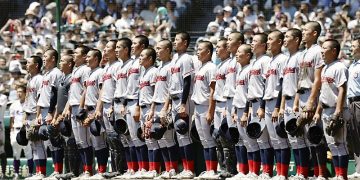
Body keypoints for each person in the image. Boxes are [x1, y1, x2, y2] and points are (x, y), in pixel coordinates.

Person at [161, 31, 195, 179]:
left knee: (184, 135)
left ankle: (190, 170)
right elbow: (170, 85)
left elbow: (187, 82)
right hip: (174, 99)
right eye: (174, 40)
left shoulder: (186, 58)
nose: (174, 42)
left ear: (185, 43)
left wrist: (182, 103)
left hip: (183, 99)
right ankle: (184, 169)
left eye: (177, 40)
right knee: (179, 137)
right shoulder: (175, 59)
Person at [314, 39, 348, 179]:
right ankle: (338, 175)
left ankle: (342, 176)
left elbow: (342, 90)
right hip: (326, 110)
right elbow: (323, 94)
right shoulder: (325, 68)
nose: (322, 51)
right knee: (332, 145)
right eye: (321, 48)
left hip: (336, 110)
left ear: (334, 50)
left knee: (340, 144)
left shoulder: (340, 67)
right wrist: (318, 111)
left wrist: (338, 112)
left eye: (325, 48)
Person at [297, 21, 327, 179]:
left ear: (314, 33)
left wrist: (311, 101)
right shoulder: (304, 52)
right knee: (307, 137)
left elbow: (318, 79)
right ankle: (314, 172)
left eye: (305, 30)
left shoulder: (317, 51)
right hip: (302, 94)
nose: (302, 32)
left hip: (312, 96)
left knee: (316, 136)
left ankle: (321, 174)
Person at [280, 28, 310, 179]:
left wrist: (296, 103)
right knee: (293, 139)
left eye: (287, 37)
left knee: (301, 138)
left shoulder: (300, 57)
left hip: (298, 101)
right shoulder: (286, 58)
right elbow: (284, 86)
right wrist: (282, 106)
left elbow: (300, 82)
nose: (284, 39)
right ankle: (299, 172)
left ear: (297, 40)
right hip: (288, 102)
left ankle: (304, 173)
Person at [228, 44, 261, 180]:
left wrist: (247, 112)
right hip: (239, 108)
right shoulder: (240, 70)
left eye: (239, 51)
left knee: (252, 142)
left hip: (247, 109)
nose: (236, 53)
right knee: (244, 142)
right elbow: (238, 93)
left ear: (248, 55)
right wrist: (235, 111)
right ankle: (244, 171)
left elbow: (249, 93)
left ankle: (254, 172)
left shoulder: (250, 70)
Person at [95, 40, 124, 177]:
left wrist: (112, 105)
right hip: (105, 106)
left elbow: (118, 88)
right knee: (110, 140)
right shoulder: (105, 67)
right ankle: (114, 169)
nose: (105, 50)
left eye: (108, 48)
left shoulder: (118, 66)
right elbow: (102, 91)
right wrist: (98, 108)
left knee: (117, 138)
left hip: (114, 106)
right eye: (104, 48)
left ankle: (120, 169)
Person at [191, 40, 219, 179]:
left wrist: (210, 111)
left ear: (208, 52)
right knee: (204, 141)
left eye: (200, 49)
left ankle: (213, 170)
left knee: (209, 140)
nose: (197, 51)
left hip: (205, 107)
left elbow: (212, 91)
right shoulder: (201, 68)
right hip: (197, 107)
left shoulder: (211, 68)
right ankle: (208, 170)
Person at [63, 46, 92, 179]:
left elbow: (87, 89)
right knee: (80, 142)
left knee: (85, 141)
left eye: (76, 53)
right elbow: (72, 92)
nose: (74, 54)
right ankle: (83, 170)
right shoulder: (75, 70)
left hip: (80, 108)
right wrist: (67, 107)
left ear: (85, 56)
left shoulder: (86, 70)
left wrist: (81, 107)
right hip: (73, 106)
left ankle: (88, 171)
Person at [248, 33, 273, 179]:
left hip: (261, 103)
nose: (252, 43)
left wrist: (262, 106)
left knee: (266, 141)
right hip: (254, 103)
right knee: (259, 140)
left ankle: (267, 172)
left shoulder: (265, 61)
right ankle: (258, 172)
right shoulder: (254, 62)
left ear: (263, 45)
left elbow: (265, 86)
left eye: (255, 41)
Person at [265, 30, 290, 179]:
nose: (268, 42)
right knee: (274, 141)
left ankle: (283, 174)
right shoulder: (270, 60)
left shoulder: (283, 59)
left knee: (281, 140)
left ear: (279, 42)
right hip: (268, 102)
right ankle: (277, 173)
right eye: (267, 39)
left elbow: (282, 85)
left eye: (270, 39)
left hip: (277, 102)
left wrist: (277, 107)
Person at [152, 39, 178, 179]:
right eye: (156, 48)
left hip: (166, 106)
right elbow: (156, 91)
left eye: (160, 48)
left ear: (168, 50)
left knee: (169, 139)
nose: (157, 50)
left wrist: (165, 108)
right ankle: (167, 169)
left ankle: (173, 169)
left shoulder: (171, 66)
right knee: (160, 139)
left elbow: (170, 90)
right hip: (157, 105)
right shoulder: (159, 67)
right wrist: (152, 109)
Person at [81, 49, 109, 179]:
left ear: (97, 59)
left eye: (89, 57)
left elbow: (101, 92)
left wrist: (96, 111)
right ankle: (97, 171)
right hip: (90, 110)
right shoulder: (89, 73)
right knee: (94, 143)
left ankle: (102, 171)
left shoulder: (100, 72)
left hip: (97, 111)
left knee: (100, 143)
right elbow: (87, 93)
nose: (86, 59)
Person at [135, 48, 159, 178]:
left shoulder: (154, 71)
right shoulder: (143, 72)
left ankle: (155, 169)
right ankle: (150, 169)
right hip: (143, 107)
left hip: (151, 107)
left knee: (153, 139)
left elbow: (156, 91)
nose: (139, 57)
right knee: (147, 139)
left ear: (150, 58)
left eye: (142, 55)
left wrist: (152, 110)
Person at [23, 56, 43, 180]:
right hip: (29, 115)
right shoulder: (30, 79)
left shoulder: (40, 79)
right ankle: (37, 172)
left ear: (36, 65)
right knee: (34, 145)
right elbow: (27, 99)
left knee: (39, 144)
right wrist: (25, 116)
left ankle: (41, 173)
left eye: (28, 62)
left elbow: (41, 99)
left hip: (36, 115)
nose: (26, 64)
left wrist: (37, 117)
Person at [10, 85, 34, 180]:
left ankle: (30, 173)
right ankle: (16, 174)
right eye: (18, 92)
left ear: (25, 93)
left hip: (26, 130)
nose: (19, 94)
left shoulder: (29, 104)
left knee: (29, 153)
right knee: (16, 154)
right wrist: (11, 132)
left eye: (21, 92)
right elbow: (12, 120)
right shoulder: (13, 104)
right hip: (16, 130)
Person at [348, 37, 360, 179]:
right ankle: (359, 169)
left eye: (353, 45)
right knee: (355, 137)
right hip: (351, 103)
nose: (351, 48)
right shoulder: (352, 65)